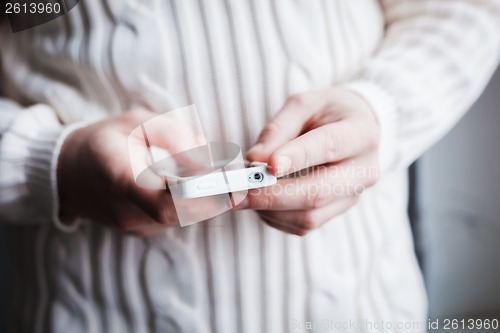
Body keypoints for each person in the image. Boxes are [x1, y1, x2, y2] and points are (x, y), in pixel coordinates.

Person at [1, 1, 499, 332]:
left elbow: (466, 9)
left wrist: (383, 109)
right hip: (83, 311)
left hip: (365, 309)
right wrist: (50, 163)